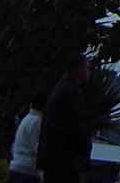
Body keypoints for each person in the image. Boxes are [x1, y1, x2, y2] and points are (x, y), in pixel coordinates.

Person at [37, 53, 92, 183]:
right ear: (79, 69)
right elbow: (74, 127)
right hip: (64, 160)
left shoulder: (58, 89)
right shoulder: (72, 93)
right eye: (87, 68)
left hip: (52, 159)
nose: (89, 72)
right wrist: (85, 146)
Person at [9, 91, 48, 183]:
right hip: (28, 170)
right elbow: (38, 148)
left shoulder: (27, 118)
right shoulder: (37, 122)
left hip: (16, 167)